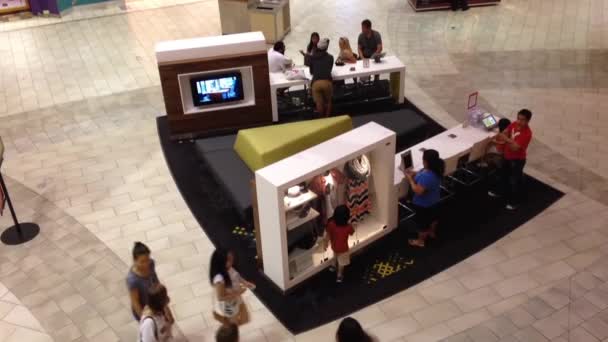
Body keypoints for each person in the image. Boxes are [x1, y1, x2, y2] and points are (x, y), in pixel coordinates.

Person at [489, 109, 533, 210]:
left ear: (527, 121)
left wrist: (506, 139)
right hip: (506, 156)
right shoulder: (513, 124)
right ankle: (500, 192)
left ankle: (515, 202)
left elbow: (515, 148)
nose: (518, 121)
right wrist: (510, 141)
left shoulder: (527, 134)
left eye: (522, 120)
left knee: (515, 181)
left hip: (517, 160)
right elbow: (504, 133)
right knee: (503, 175)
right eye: (518, 118)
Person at [405, 149, 445, 248]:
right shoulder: (437, 169)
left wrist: (410, 179)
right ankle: (431, 232)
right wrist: (415, 173)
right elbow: (423, 173)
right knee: (433, 219)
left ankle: (420, 241)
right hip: (435, 201)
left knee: (422, 224)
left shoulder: (426, 176)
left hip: (423, 205)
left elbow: (418, 191)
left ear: (426, 161)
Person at [210, 249, 255, 326]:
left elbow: (236, 276)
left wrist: (246, 283)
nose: (232, 261)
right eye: (229, 260)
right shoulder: (219, 279)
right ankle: (224, 321)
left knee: (245, 319)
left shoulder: (228, 268)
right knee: (234, 324)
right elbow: (220, 297)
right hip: (229, 304)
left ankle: (225, 321)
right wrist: (238, 293)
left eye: (232, 258)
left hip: (236, 298)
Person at [127, 241, 160, 321]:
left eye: (147, 260)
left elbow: (156, 281)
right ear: (135, 260)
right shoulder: (133, 280)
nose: (146, 264)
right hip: (145, 311)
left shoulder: (151, 263)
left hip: (155, 305)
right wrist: (145, 320)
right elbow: (135, 302)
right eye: (142, 262)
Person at [324, 205, 354, 283]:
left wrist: (325, 244)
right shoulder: (348, 227)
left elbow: (327, 235)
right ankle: (339, 275)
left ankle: (333, 266)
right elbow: (352, 233)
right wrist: (352, 225)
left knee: (335, 256)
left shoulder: (331, 224)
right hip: (343, 249)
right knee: (342, 263)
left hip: (334, 246)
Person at [309, 38, 334, 117]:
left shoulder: (312, 57)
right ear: (326, 48)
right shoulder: (330, 57)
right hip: (327, 82)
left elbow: (311, 71)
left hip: (316, 83)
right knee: (328, 101)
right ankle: (327, 118)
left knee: (319, 103)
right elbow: (329, 69)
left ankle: (322, 119)